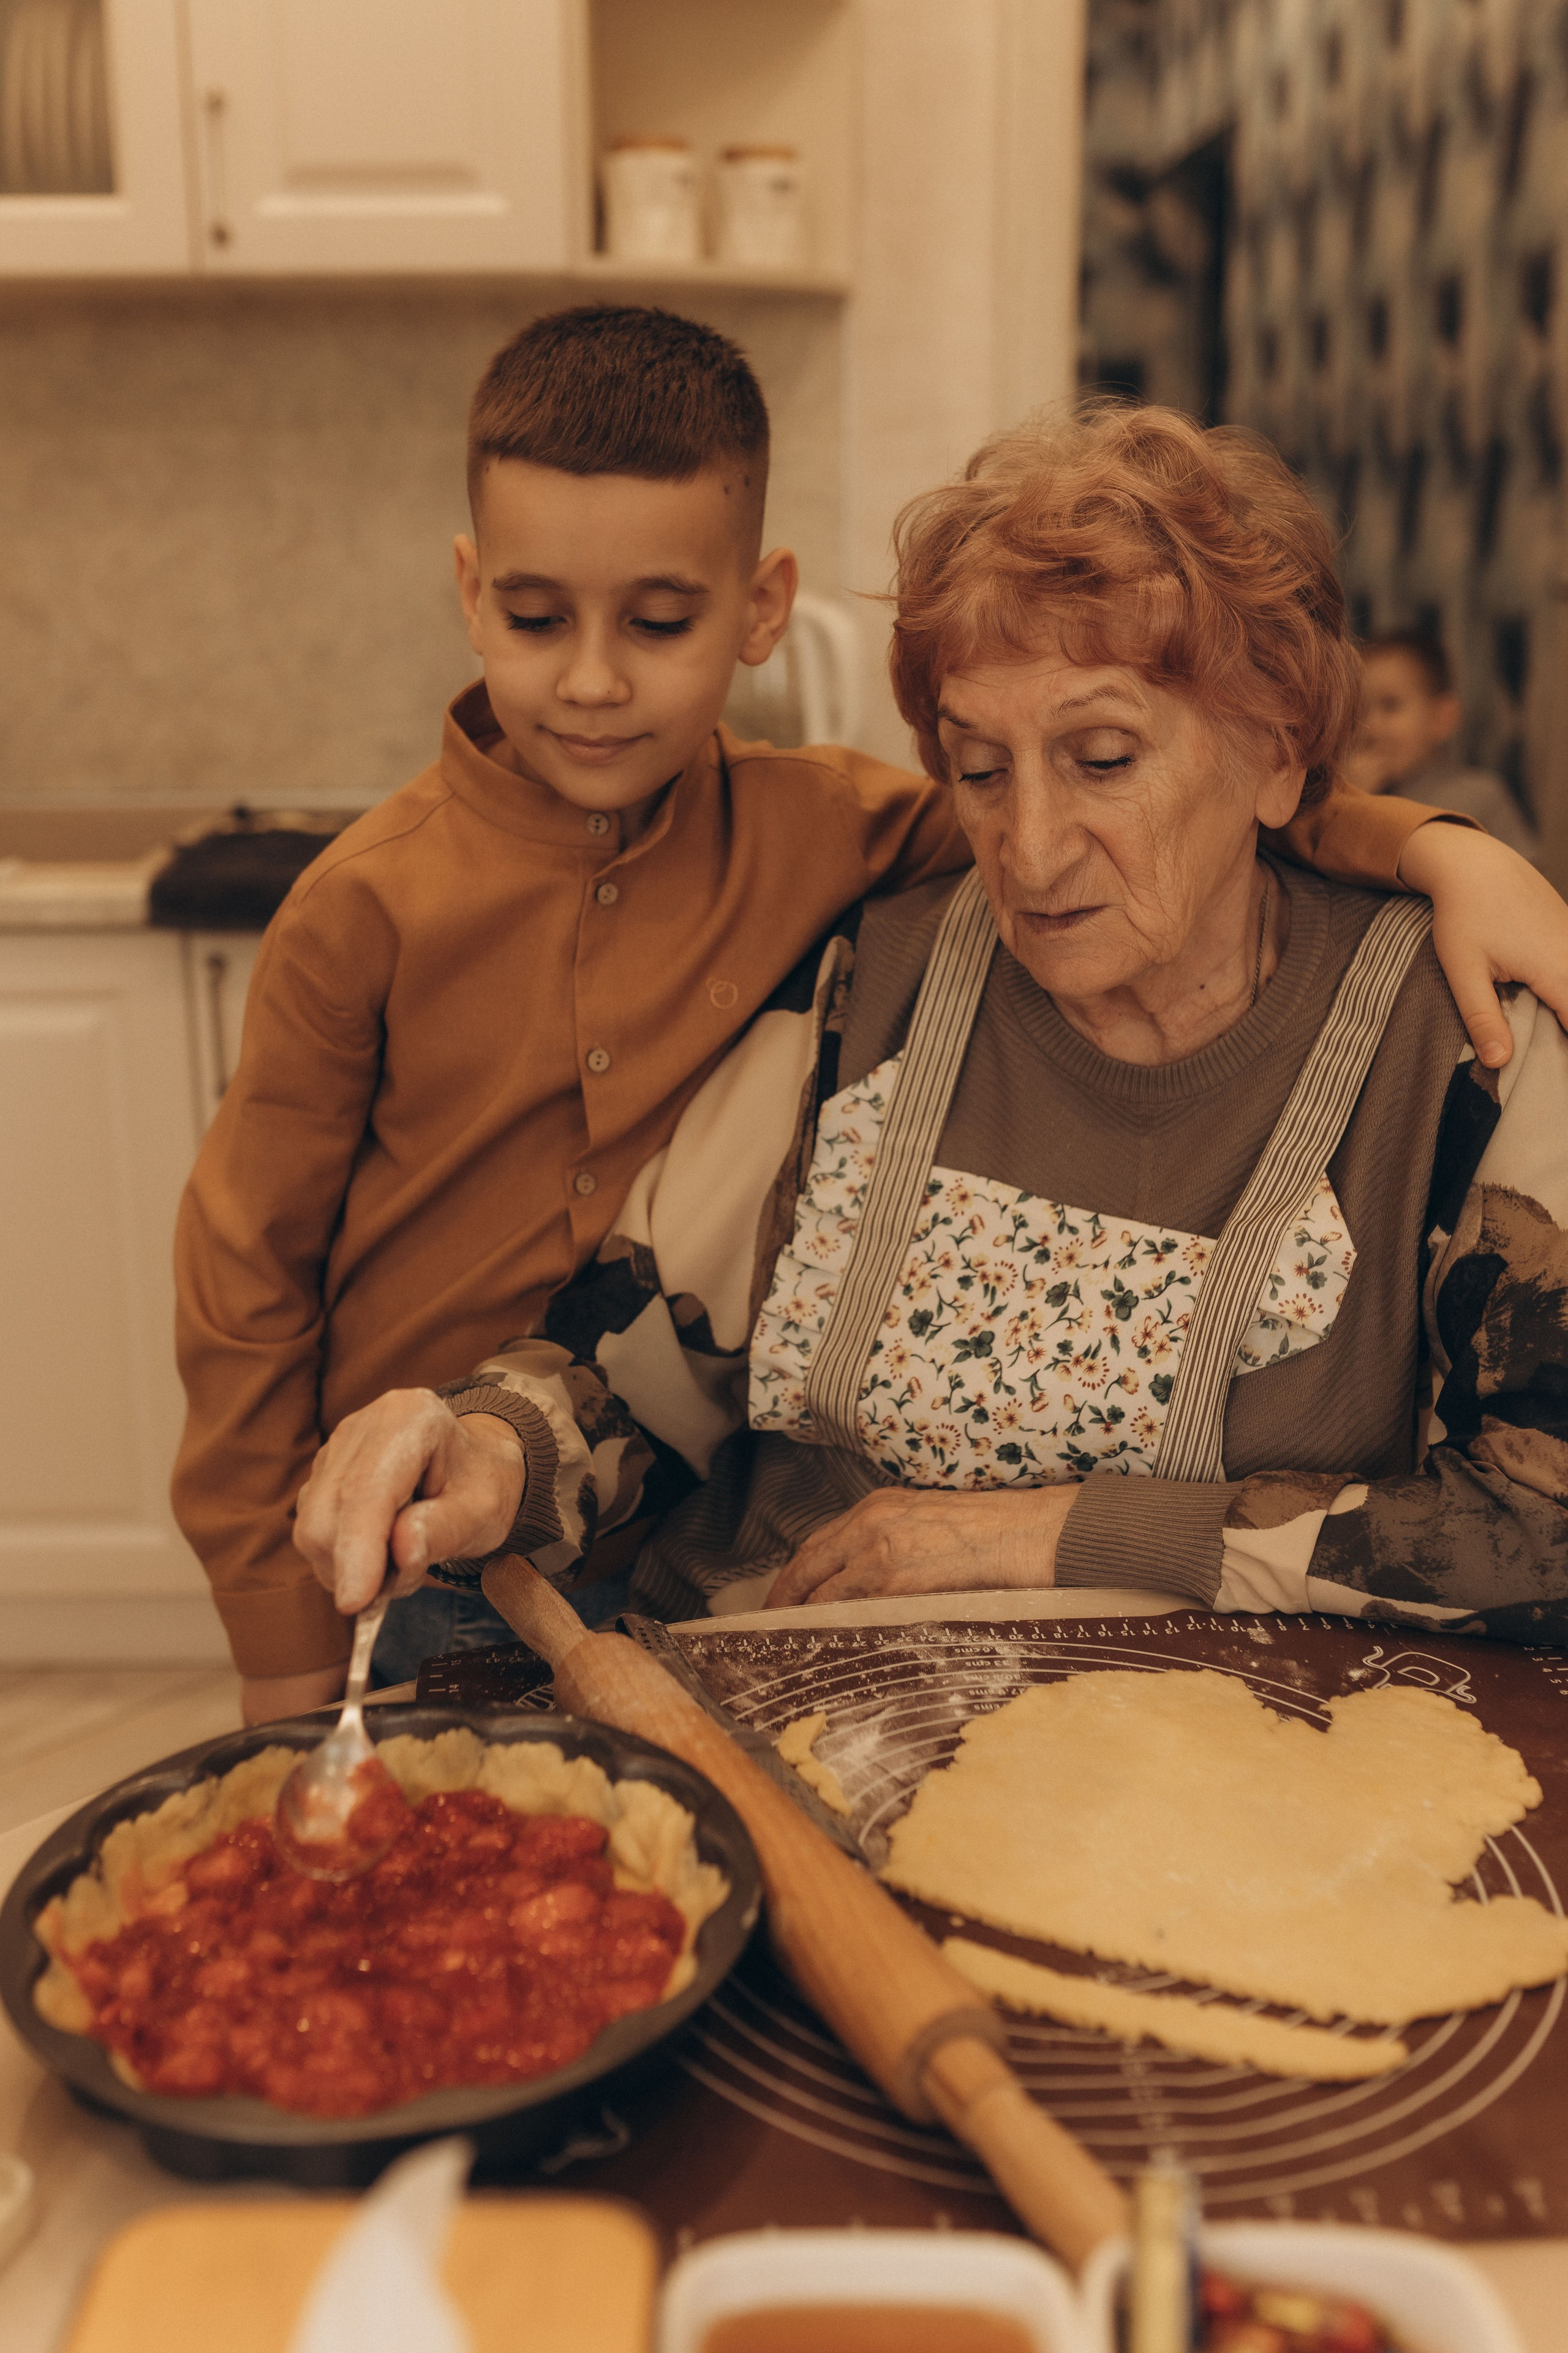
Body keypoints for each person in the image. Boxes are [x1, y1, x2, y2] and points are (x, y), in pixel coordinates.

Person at [296, 403, 1568, 1651]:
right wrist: (483, 1447)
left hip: (1217, 1763)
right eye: (976, 766)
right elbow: (624, 1378)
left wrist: (1042, 1535)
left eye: (1103, 757)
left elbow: (1534, 1527)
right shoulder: (874, 979)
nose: (1026, 846)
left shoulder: (1460, 1045)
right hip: (776, 1689)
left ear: (1275, 754)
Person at [1355, 630, 1541, 863]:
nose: (1369, 726)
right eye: (1360, 709)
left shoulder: (1479, 796)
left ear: (1441, 719)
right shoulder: (1350, 795)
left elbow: (1529, 877)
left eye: (1390, 706)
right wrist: (1351, 800)